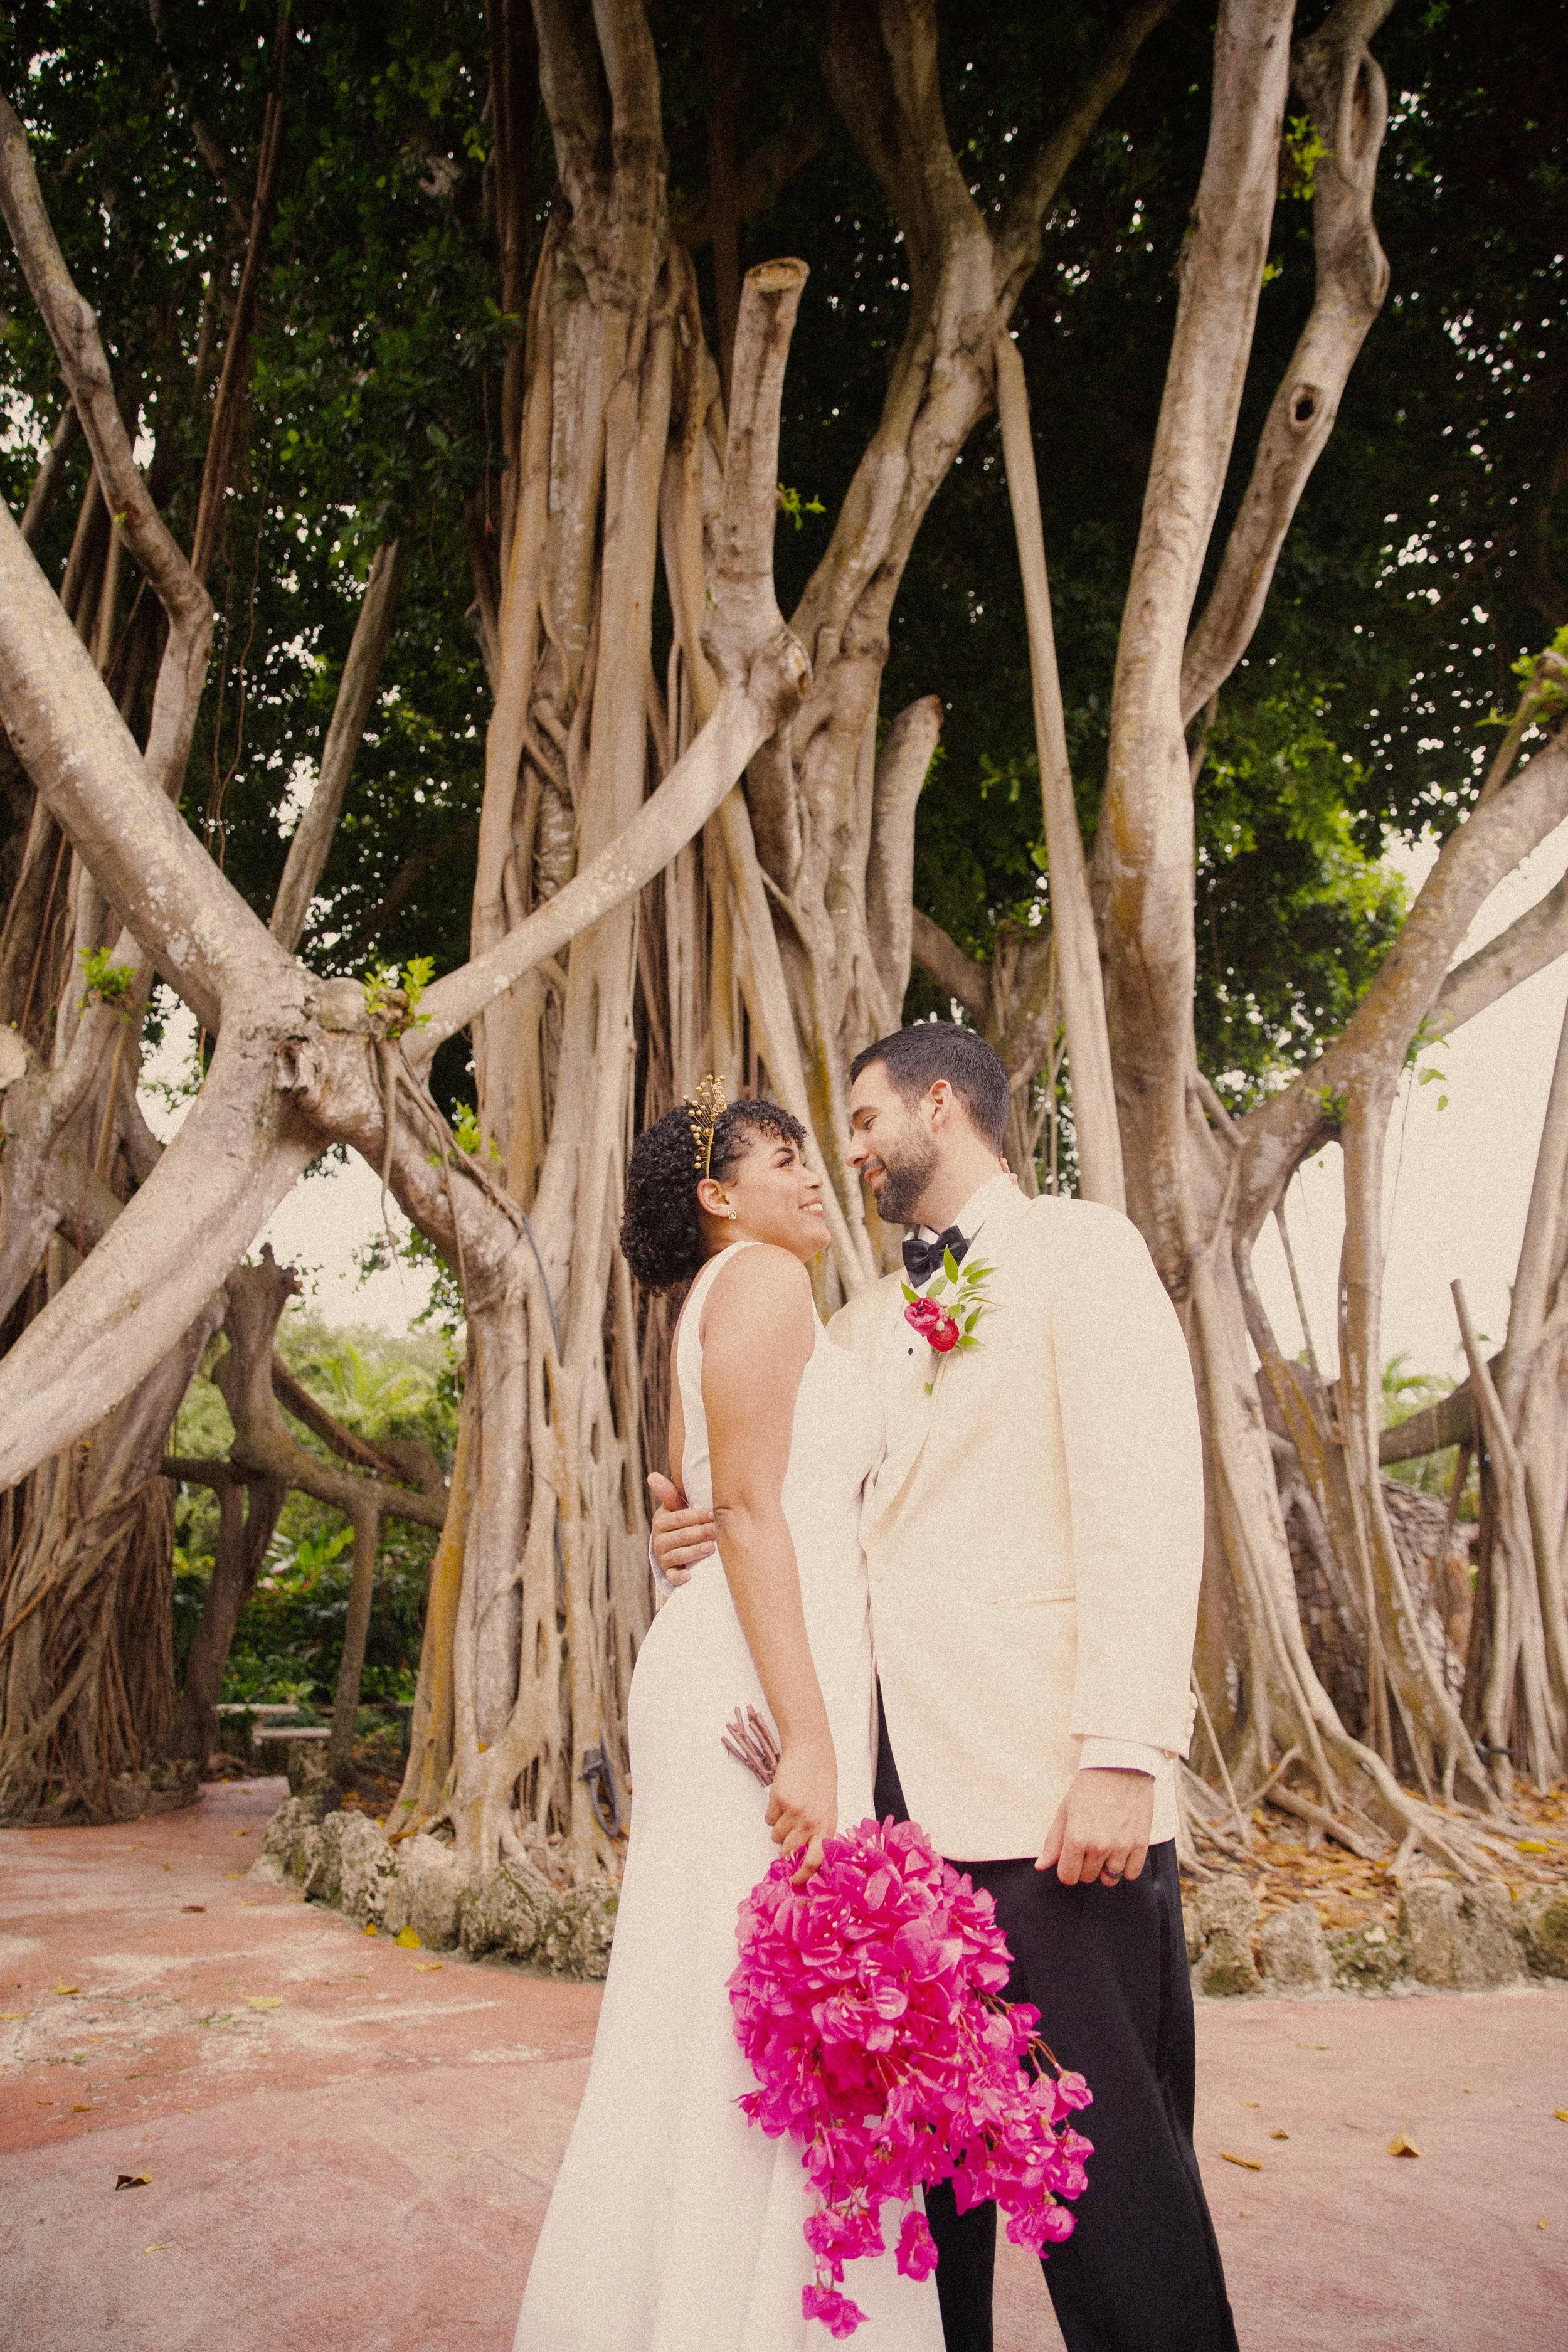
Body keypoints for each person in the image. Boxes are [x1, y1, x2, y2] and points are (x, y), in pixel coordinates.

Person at [652, 1024, 1238, 2352]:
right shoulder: (852, 1318)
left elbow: (1145, 1503)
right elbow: (779, 1496)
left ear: (936, 1103)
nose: (846, 1152)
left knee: (1106, 2163)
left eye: (860, 1122)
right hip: (894, 1815)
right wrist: (687, 1530)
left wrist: (1122, 1749)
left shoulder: (1080, 1251)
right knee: (927, 2195)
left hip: (1048, 1794)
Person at [515, 1084, 942, 2352]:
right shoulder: (756, 1282)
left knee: (721, 2008)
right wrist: (811, 1742)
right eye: (780, 1158)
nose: (814, 1175)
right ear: (715, 1195)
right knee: (762, 2007)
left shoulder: (714, 1302)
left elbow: (696, 1505)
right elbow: (746, 1515)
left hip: (750, 1663)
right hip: (768, 1692)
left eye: (813, 1154)